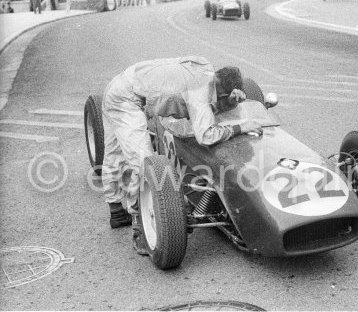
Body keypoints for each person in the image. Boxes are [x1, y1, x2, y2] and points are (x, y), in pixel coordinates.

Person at [101, 56, 263, 254]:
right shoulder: (201, 88)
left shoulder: (204, 67)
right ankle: (141, 229)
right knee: (145, 164)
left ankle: (116, 212)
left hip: (122, 83)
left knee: (114, 155)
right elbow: (206, 135)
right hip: (126, 99)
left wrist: (227, 103)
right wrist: (241, 127)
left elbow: (199, 107)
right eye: (221, 96)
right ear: (221, 89)